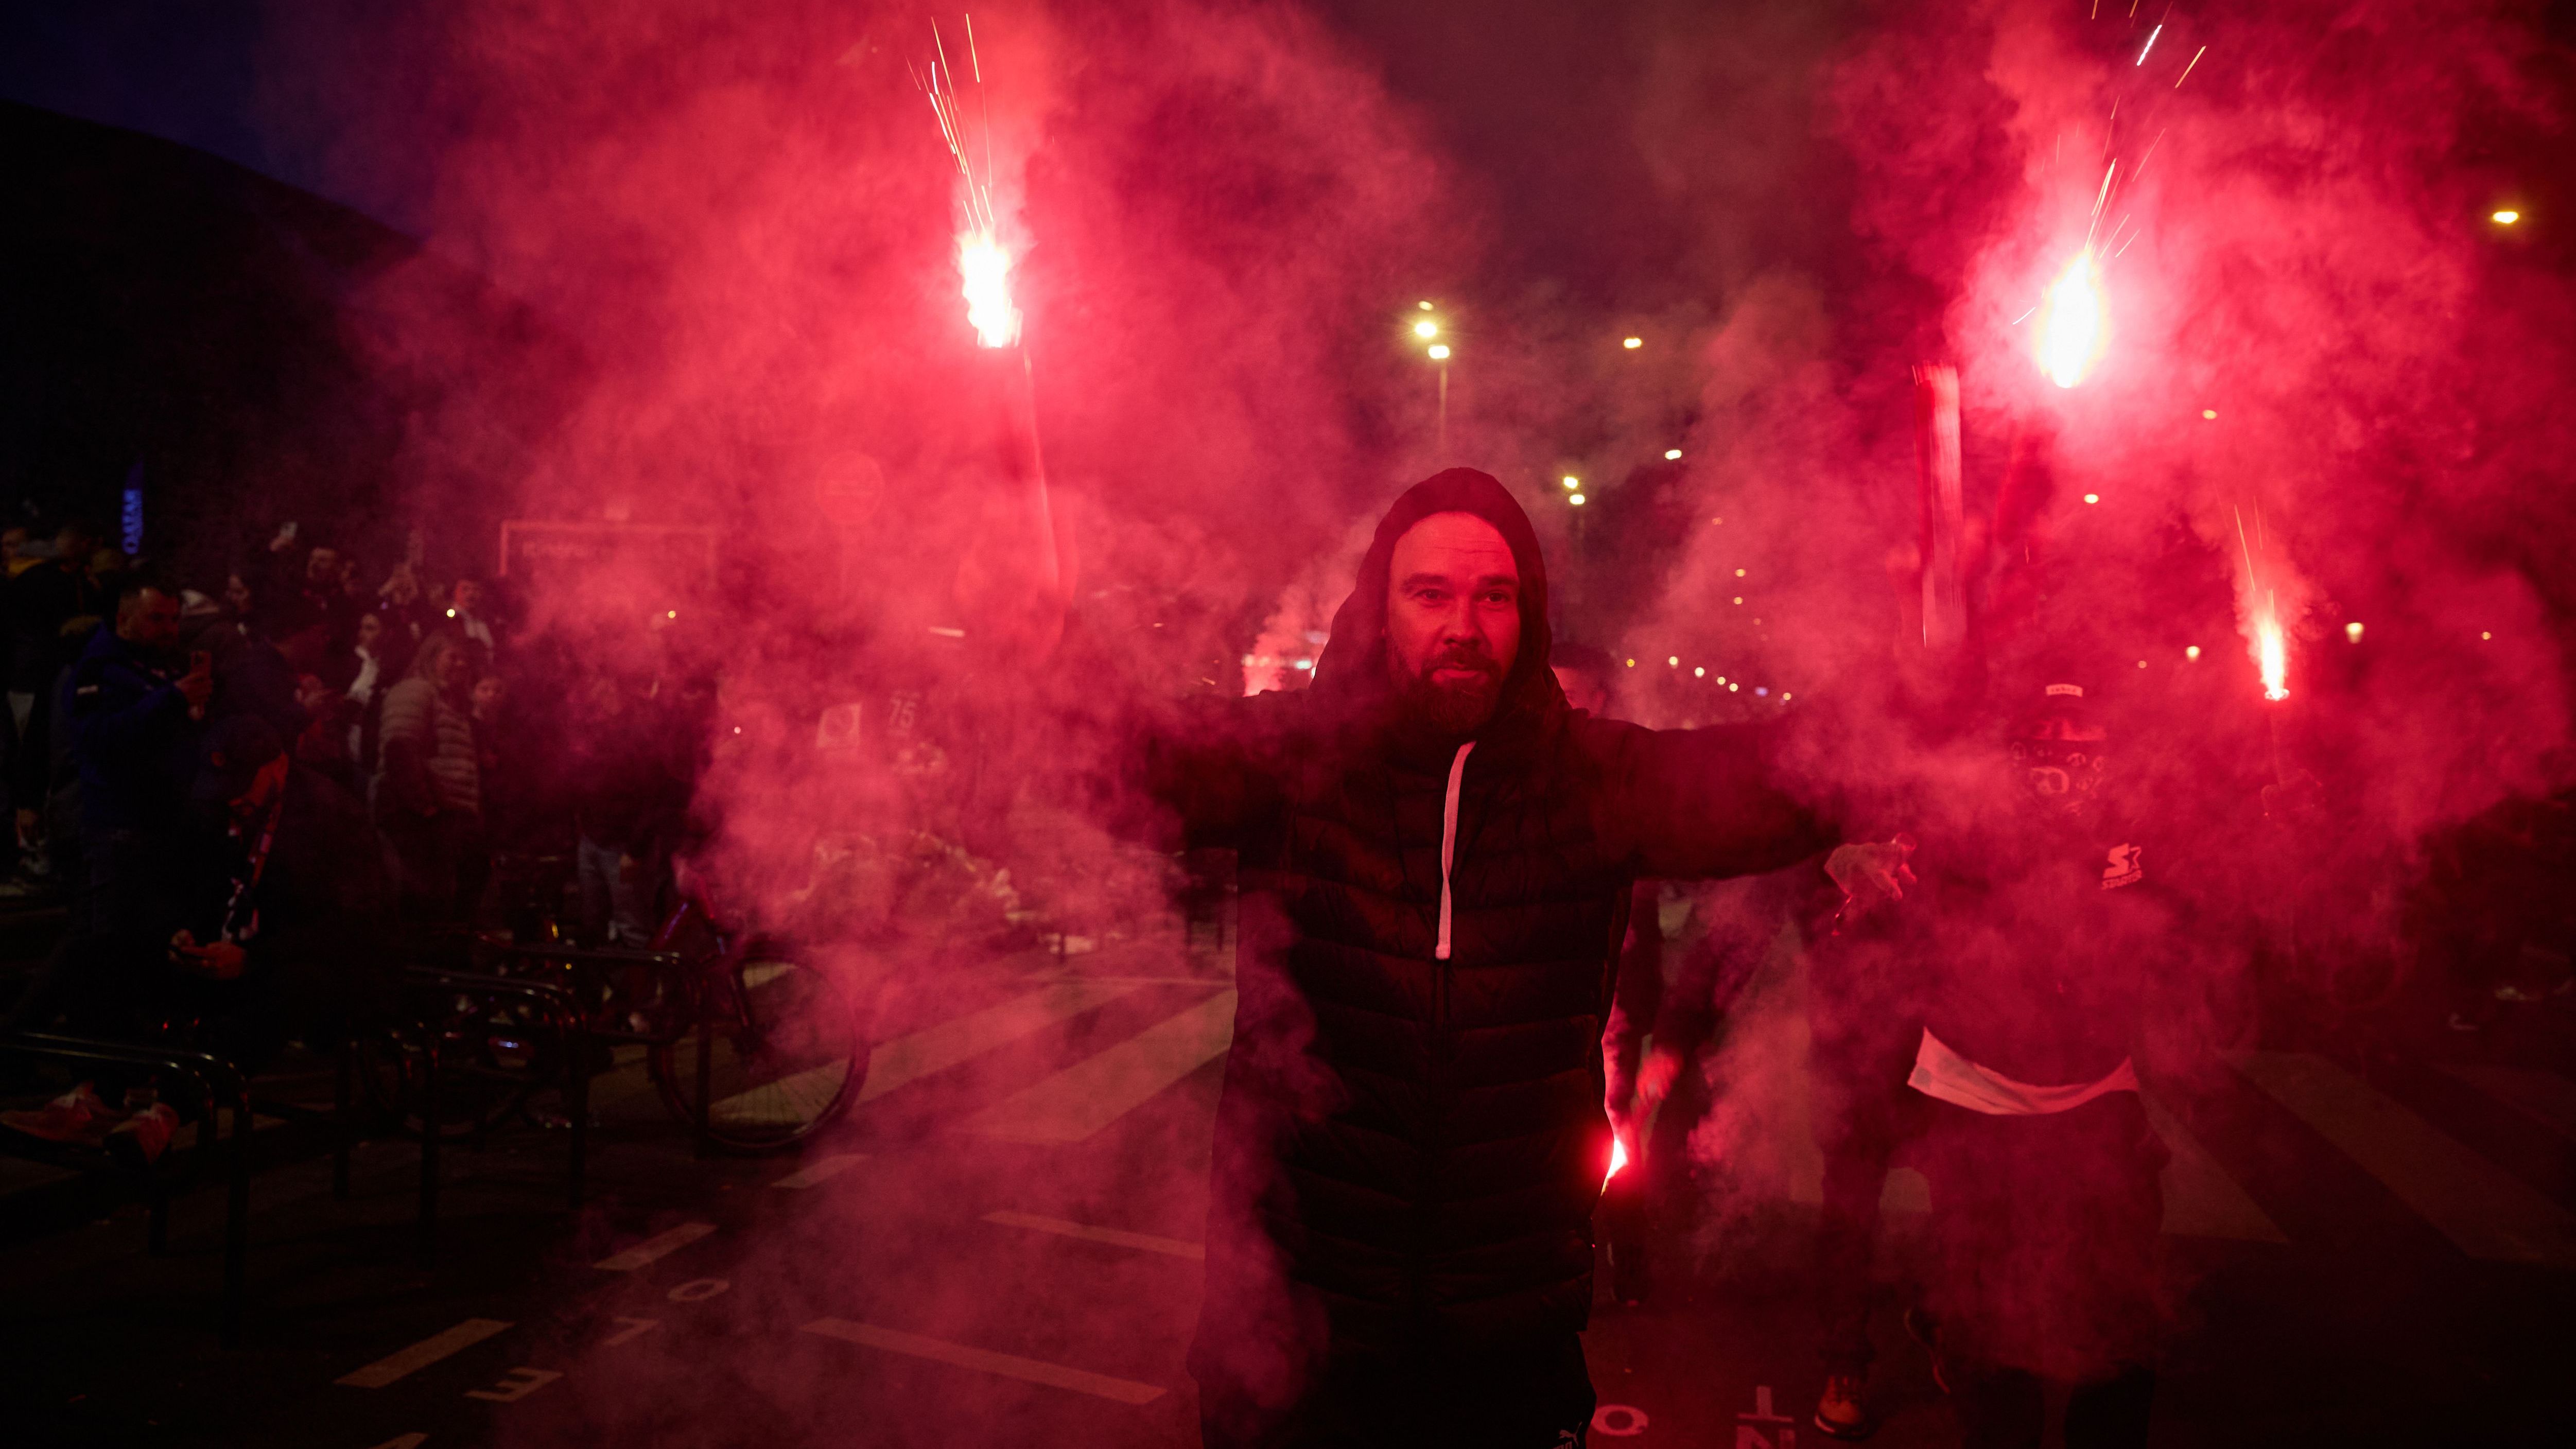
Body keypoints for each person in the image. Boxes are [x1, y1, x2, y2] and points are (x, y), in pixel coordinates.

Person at [1107, 469, 1895, 1448]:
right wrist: (1038, 658)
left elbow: (1779, 786)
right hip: (1290, 1332)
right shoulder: (1293, 763)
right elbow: (1123, 767)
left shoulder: (1592, 783)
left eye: (1494, 596)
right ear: (1376, 611)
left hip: (1503, 1349)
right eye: (1429, 594)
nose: (1463, 625)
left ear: (1527, 620)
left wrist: (1918, 707)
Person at [1840, 676, 2173, 1449]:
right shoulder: (1958, 815)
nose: (2061, 747)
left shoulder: (2147, 816)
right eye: (2043, 728)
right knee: (1992, 1333)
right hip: (1978, 1107)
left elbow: (2208, 911)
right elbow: (1883, 896)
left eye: (2079, 728)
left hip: (2097, 1099)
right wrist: (1857, 876)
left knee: (2121, 1326)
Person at [63, 580, 214, 933]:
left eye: (175, 619)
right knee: (113, 941)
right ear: (124, 619)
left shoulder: (165, 663)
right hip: (119, 828)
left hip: (166, 824)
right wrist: (170, 699)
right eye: (157, 619)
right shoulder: (97, 669)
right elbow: (96, 738)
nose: (169, 629)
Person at [376, 631, 484, 923]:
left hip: (449, 820)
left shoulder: (451, 705)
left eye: (465, 660)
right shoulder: (415, 690)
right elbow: (399, 750)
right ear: (431, 657)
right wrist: (426, 810)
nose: (461, 664)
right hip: (425, 823)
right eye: (453, 657)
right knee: (427, 910)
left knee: (451, 912)